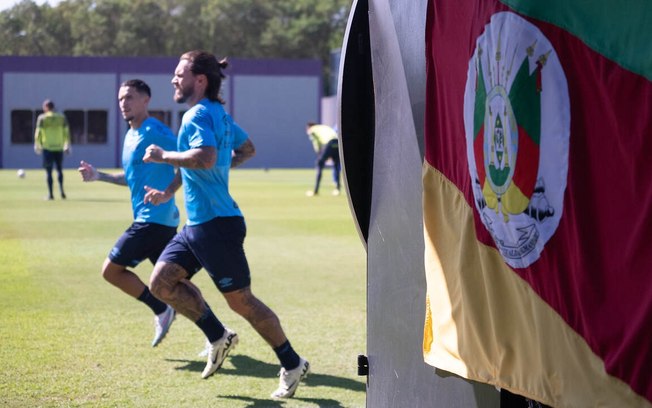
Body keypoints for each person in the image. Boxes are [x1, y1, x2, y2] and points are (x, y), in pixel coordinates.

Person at [142, 50, 310, 399]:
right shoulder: (220, 114)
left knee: (242, 302)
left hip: (216, 226)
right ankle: (219, 336)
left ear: (199, 80)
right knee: (160, 283)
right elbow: (246, 150)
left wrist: (163, 156)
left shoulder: (196, 115)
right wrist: (167, 192)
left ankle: (292, 363)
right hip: (197, 226)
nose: (173, 79)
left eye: (179, 74)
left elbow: (204, 157)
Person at [78, 79, 179, 347]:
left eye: (130, 97)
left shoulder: (156, 130)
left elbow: (188, 159)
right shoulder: (130, 135)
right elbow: (132, 178)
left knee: (111, 270)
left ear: (146, 100)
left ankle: (161, 309)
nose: (124, 103)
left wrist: (168, 192)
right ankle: (216, 332)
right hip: (155, 220)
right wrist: (98, 176)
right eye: (121, 98)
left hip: (154, 219)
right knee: (175, 286)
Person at [34, 99, 71, 200]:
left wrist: (37, 145)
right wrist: (67, 145)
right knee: (59, 170)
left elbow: (38, 133)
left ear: (46, 107)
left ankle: (50, 194)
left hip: (48, 148)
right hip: (59, 147)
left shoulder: (42, 118)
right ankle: (62, 192)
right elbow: (66, 132)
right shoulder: (61, 117)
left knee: (49, 172)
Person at [305, 122, 341, 196]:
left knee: (319, 163)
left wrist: (318, 153)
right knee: (336, 165)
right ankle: (337, 189)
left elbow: (315, 142)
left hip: (329, 143)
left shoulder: (312, 129)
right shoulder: (322, 127)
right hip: (337, 142)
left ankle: (316, 191)